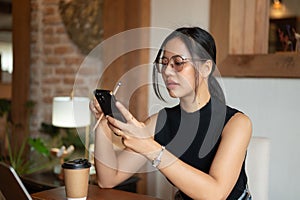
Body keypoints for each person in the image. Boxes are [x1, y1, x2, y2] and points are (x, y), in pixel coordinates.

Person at [90, 27, 252, 200]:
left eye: (178, 62)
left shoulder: (236, 123)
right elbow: (108, 179)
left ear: (205, 68)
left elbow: (215, 194)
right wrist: (104, 122)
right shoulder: (161, 121)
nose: (167, 71)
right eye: (165, 63)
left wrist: (150, 147)